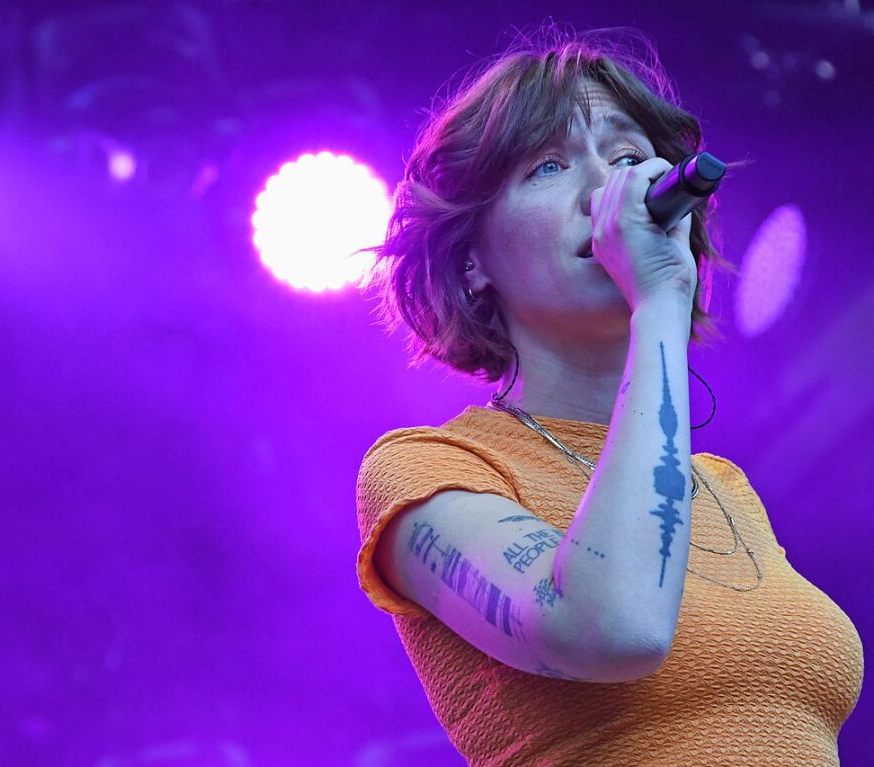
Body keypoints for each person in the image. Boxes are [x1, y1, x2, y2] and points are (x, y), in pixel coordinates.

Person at [354, 26, 864, 766]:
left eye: (627, 157)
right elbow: (613, 628)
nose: (606, 188)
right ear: (470, 262)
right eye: (549, 166)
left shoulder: (724, 490)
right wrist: (658, 302)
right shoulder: (431, 470)